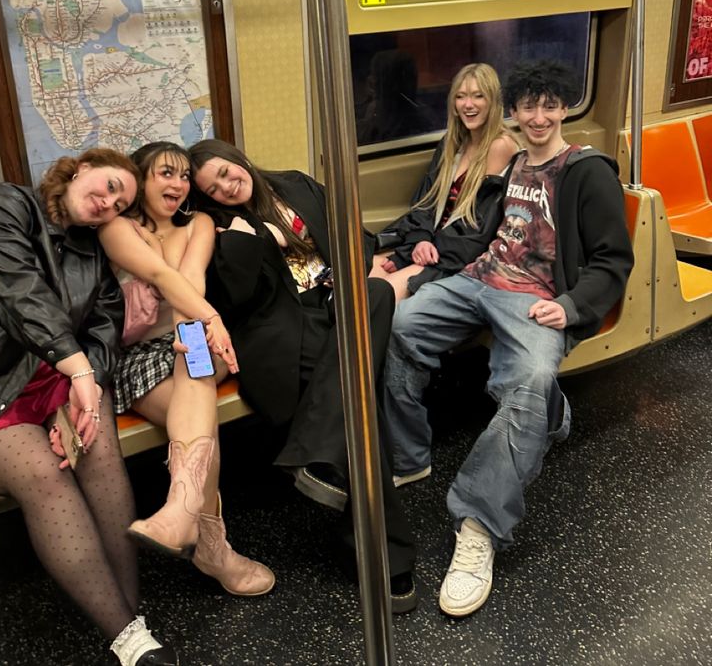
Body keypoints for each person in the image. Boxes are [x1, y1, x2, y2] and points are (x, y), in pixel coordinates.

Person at [384, 60, 634, 617]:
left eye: (550, 105)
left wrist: (568, 307)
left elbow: (612, 260)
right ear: (515, 112)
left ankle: (478, 524)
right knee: (399, 326)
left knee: (529, 383)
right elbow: (487, 230)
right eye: (529, 106)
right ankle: (411, 454)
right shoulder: (515, 162)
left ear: (565, 108)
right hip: (480, 280)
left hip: (536, 299)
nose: (539, 116)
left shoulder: (587, 171)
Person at [188, 139, 418, 613]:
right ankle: (385, 559)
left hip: (335, 303)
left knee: (374, 293)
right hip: (285, 330)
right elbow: (237, 298)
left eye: (229, 173)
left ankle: (314, 448)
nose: (230, 187)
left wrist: (350, 270)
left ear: (239, 160)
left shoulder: (295, 183)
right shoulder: (221, 226)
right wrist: (247, 239)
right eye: (216, 189)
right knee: (359, 408)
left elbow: (355, 234)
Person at [0, 149, 182, 666]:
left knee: (98, 448)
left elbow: (106, 327)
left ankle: (129, 629)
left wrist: (82, 381)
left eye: (120, 204)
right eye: (110, 185)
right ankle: (130, 636)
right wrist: (80, 372)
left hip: (62, 382)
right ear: (80, 168)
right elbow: (17, 294)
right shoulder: (2, 206)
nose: (109, 202)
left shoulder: (92, 251)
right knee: (45, 474)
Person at [97, 142, 274, 597]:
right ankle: (212, 545)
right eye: (164, 174)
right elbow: (161, 277)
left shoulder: (198, 223)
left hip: (189, 335)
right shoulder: (117, 228)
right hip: (136, 357)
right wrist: (202, 325)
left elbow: (191, 280)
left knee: (192, 363)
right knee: (201, 413)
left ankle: (180, 508)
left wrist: (191, 334)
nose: (176, 184)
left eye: (182, 176)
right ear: (142, 180)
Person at [371, 62, 519, 302]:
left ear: (492, 101)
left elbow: (479, 229)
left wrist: (428, 248)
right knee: (364, 275)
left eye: (477, 96)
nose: (468, 105)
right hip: (428, 244)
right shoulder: (453, 143)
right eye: (461, 97)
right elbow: (425, 201)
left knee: (380, 298)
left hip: (454, 256)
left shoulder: (500, 147)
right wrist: (419, 239)